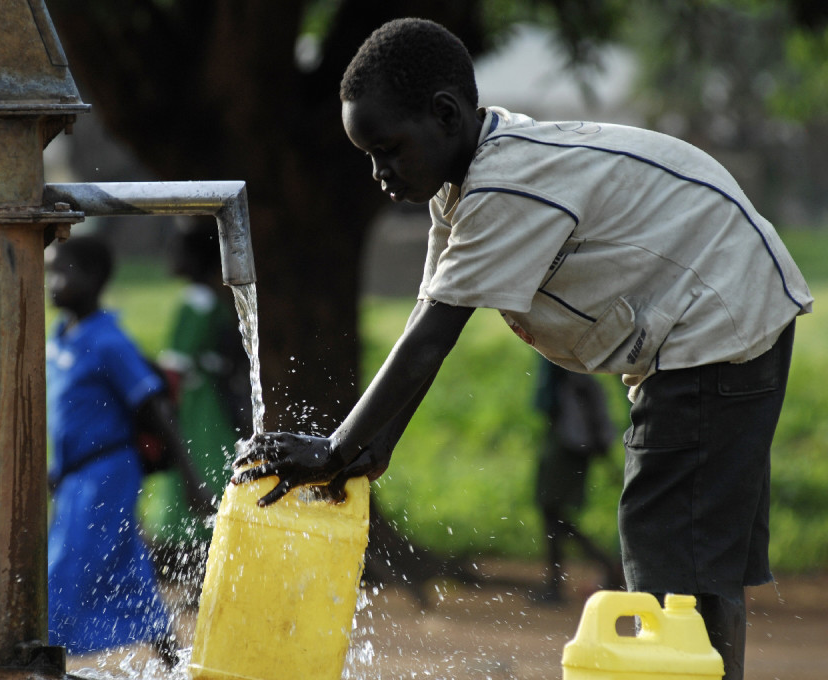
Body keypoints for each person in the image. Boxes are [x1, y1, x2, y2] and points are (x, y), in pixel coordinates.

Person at [231, 17, 813, 680]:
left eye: (388, 149)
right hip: (725, 310)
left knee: (670, 555)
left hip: (719, 319)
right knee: (694, 559)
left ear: (445, 115)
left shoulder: (506, 185)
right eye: (368, 156)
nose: (378, 172)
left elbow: (432, 339)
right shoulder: (463, 189)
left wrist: (335, 450)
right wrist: (373, 451)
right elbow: (428, 313)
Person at [44, 234, 207, 668]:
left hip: (106, 472)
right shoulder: (61, 338)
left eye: (63, 272)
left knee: (63, 568)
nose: (52, 282)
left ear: (96, 279)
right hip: (76, 474)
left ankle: (43, 662)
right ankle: (173, 662)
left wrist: (190, 479)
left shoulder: (108, 341)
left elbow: (154, 408)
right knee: (127, 568)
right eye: (49, 272)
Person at [143, 220, 250, 583]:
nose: (170, 256)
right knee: (213, 464)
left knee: (195, 467)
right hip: (213, 399)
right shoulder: (215, 298)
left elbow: (176, 363)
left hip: (195, 403)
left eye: (178, 249)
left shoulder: (196, 301)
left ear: (197, 257)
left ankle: (194, 564)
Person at [532, 358, 622, 603]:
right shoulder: (567, 374)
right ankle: (560, 580)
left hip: (568, 447)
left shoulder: (569, 372)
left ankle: (559, 582)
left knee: (552, 513)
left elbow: (588, 419)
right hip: (563, 443)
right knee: (552, 514)